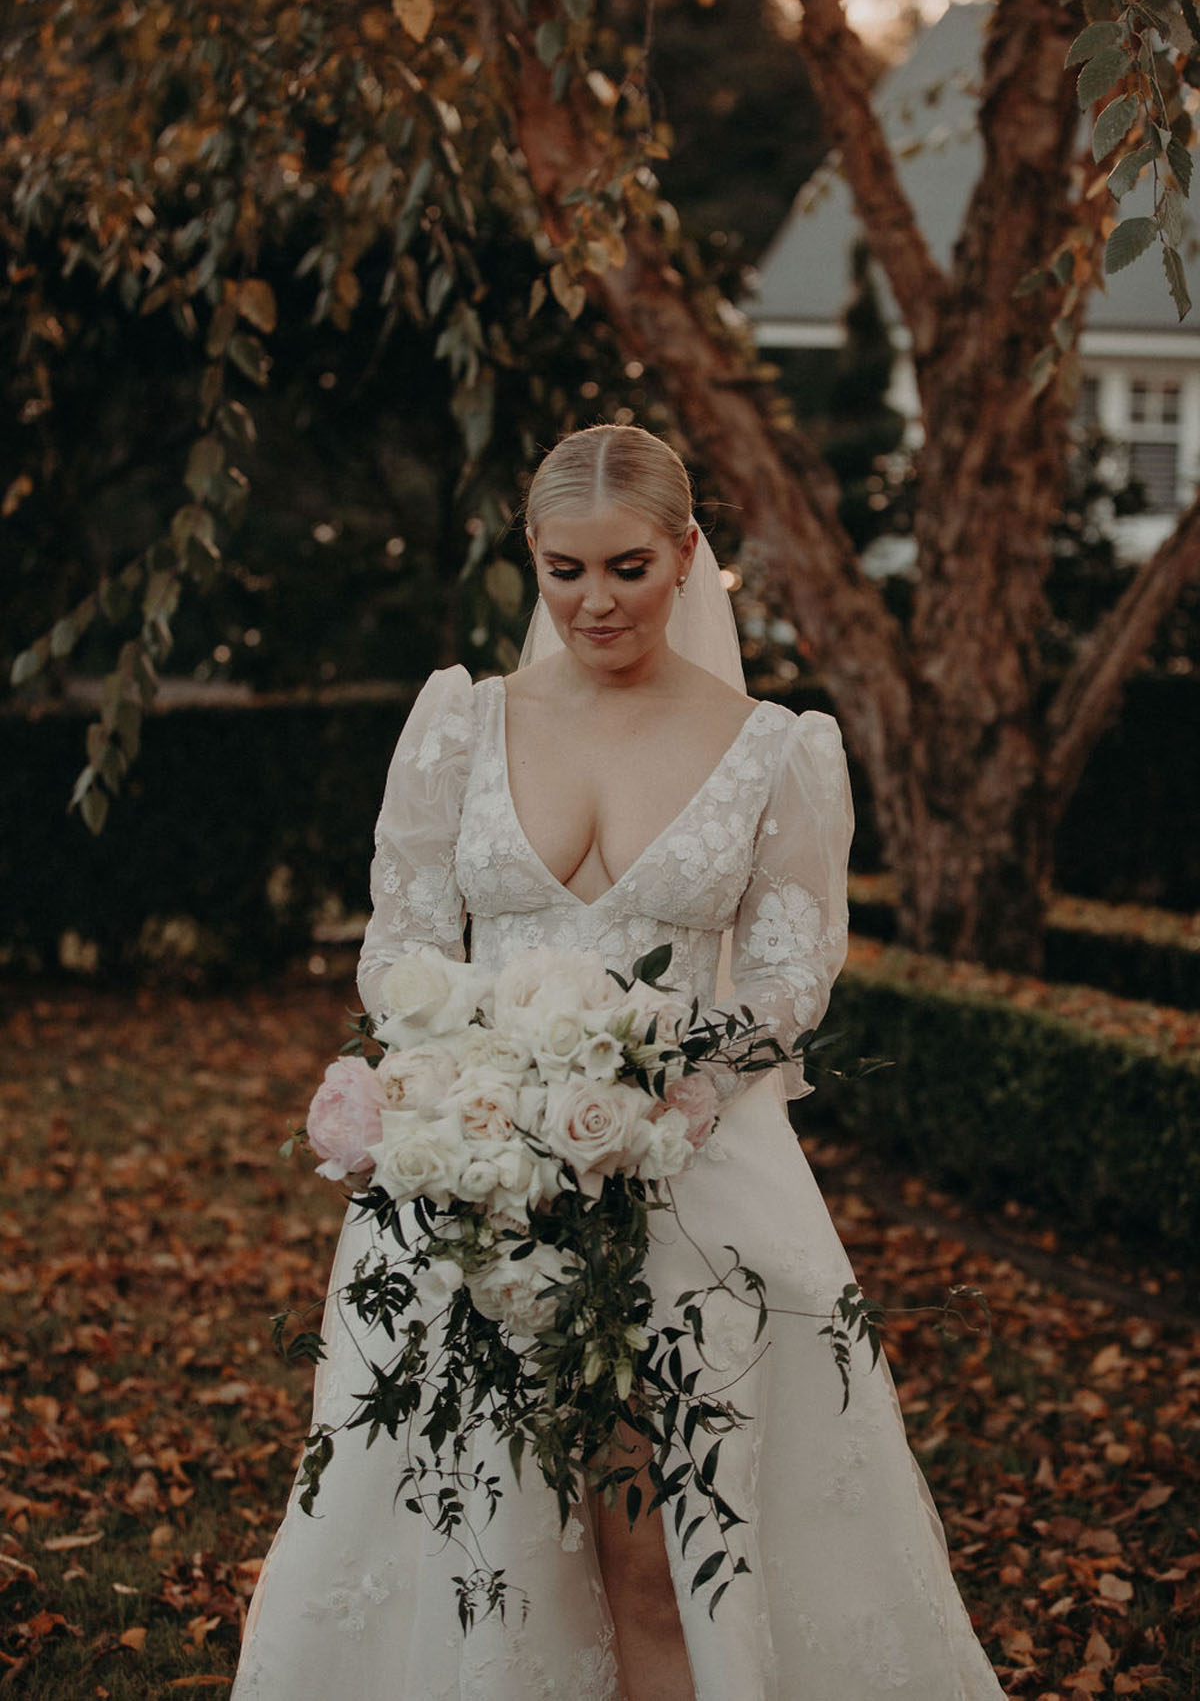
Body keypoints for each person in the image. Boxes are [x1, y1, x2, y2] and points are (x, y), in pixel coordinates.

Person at [232, 423, 1004, 1700]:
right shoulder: (459, 725)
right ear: (528, 560)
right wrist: (485, 1091)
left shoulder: (775, 748)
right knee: (484, 1538)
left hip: (688, 1192)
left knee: (665, 1555)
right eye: (566, 569)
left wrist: (666, 1098)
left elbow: (787, 980)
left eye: (630, 568)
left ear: (689, 554)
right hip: (476, 1180)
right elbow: (402, 947)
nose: (596, 601)